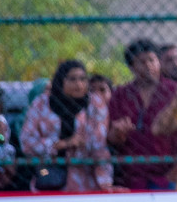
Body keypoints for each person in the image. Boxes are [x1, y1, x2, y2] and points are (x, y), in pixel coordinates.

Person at [20, 59, 113, 193]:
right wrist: (60, 144)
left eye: (82, 79)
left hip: (86, 182)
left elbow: (99, 146)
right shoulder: (41, 103)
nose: (79, 84)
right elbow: (26, 142)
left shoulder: (95, 104)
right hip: (48, 176)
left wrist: (106, 183)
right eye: (72, 79)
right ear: (60, 80)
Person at [107, 38, 177, 191]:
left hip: (169, 174)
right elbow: (110, 138)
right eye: (141, 62)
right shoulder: (120, 95)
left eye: (152, 60)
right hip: (131, 176)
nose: (148, 66)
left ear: (159, 62)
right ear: (131, 67)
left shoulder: (175, 91)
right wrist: (117, 133)